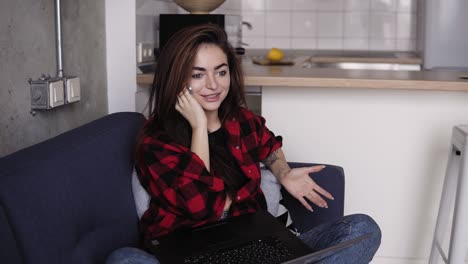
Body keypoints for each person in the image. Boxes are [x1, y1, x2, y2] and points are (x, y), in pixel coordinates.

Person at [106, 23, 381, 264]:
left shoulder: (241, 121)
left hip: (254, 244)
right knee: (124, 259)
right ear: (177, 78)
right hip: (187, 252)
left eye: (220, 72)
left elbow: (268, 145)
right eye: (198, 74)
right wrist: (199, 126)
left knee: (363, 229)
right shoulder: (156, 141)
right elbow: (203, 208)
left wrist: (283, 171)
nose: (213, 85)